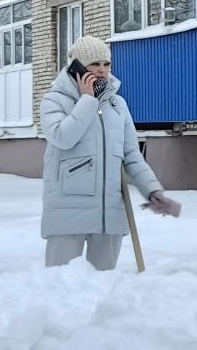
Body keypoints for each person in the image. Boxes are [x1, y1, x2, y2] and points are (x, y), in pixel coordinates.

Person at [41, 36, 180, 270]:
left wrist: (152, 190)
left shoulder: (118, 105)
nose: (102, 70)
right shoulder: (54, 100)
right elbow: (62, 138)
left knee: (105, 284)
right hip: (68, 211)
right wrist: (88, 100)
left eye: (106, 64)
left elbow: (131, 155)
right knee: (60, 282)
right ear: (77, 67)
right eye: (95, 64)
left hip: (110, 213)